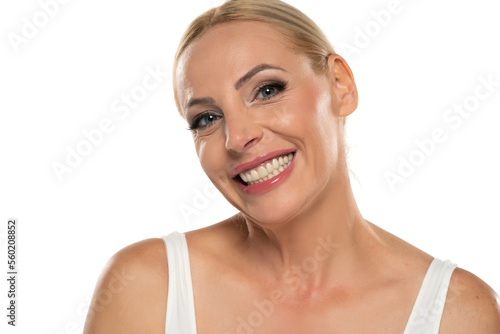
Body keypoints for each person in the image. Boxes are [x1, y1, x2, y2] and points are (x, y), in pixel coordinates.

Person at [83, 0, 500, 333]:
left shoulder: (456, 313)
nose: (236, 137)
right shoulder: (147, 287)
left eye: (267, 90)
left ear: (341, 85)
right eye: (206, 119)